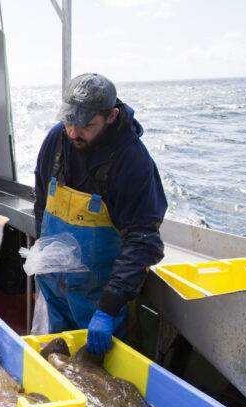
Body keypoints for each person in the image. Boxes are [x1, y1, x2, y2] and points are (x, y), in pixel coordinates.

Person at [33, 73, 167, 354]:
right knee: (57, 368)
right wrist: (41, 261)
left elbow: (143, 240)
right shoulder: (56, 140)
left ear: (111, 116)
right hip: (55, 290)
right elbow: (42, 204)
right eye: (69, 121)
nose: (73, 132)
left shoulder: (132, 161)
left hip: (100, 301)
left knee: (100, 378)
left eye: (86, 125)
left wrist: (108, 309)